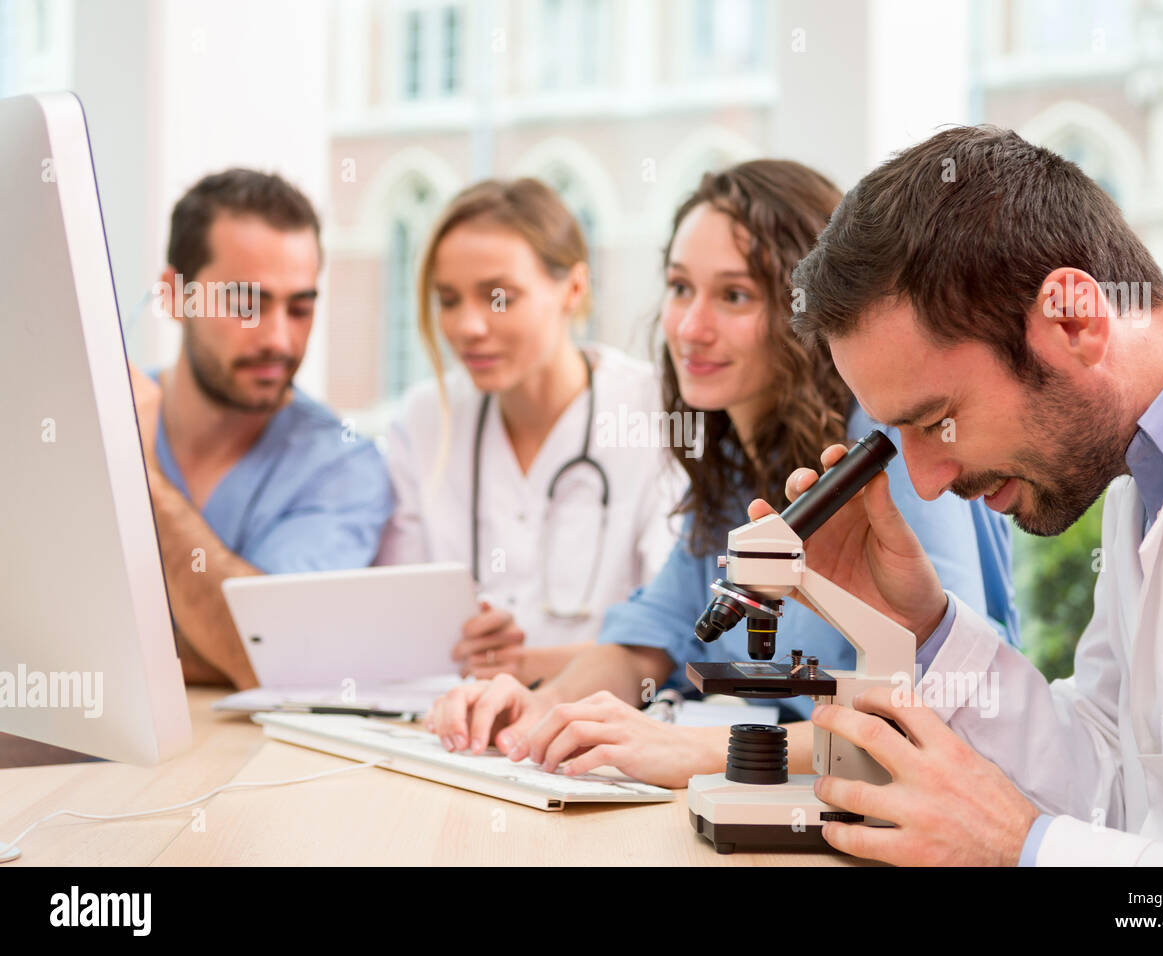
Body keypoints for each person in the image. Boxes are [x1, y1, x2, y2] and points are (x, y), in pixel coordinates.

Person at [776, 125, 1163, 865]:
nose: (924, 481)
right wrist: (922, 626)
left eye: (937, 421)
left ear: (1073, 319)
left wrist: (1022, 852)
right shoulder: (1143, 475)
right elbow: (1113, 786)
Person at [427, 160, 1020, 787]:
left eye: (734, 296)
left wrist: (700, 750)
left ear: (814, 313)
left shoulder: (890, 447)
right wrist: (540, 709)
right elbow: (650, 636)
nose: (690, 327)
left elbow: (946, 702)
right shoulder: (734, 457)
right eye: (680, 288)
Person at [375, 179, 682, 686]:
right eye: (448, 299)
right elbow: (399, 622)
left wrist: (522, 667)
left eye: (498, 298)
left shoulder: (655, 413)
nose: (468, 326)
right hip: (451, 723)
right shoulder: (424, 421)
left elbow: (677, 632)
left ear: (574, 289)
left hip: (604, 725)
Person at [128, 169, 393, 689]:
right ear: (175, 296)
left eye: (300, 308)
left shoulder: (343, 467)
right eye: (246, 304)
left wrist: (141, 479)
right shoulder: (83, 424)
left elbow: (270, 657)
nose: (278, 338)